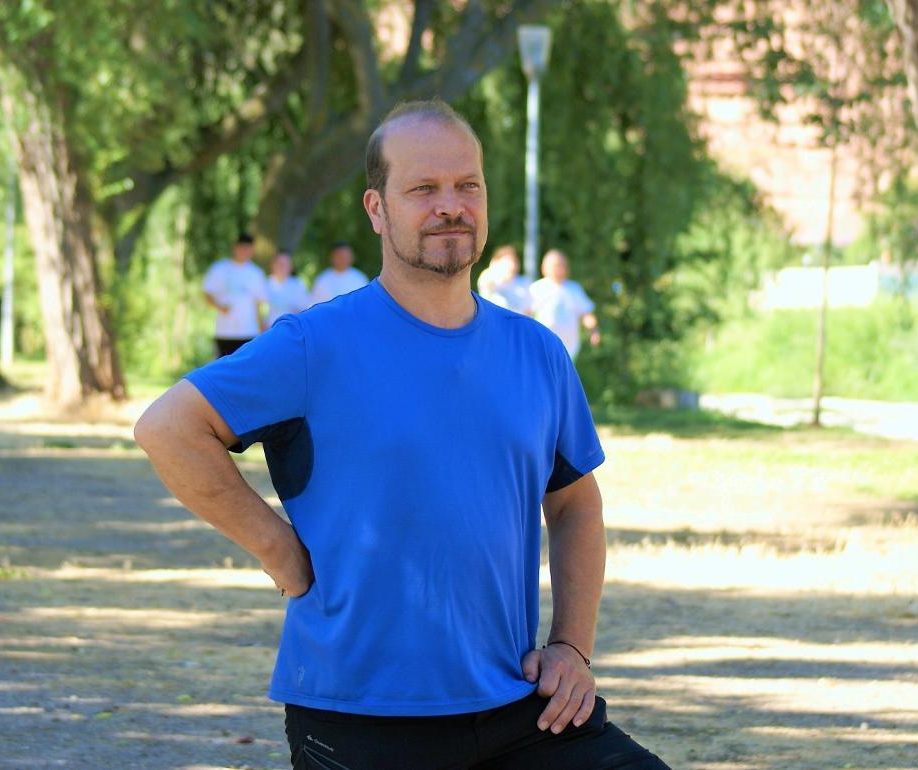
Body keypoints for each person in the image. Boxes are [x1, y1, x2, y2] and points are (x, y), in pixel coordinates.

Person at [135, 100, 671, 770]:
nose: (451, 205)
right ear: (377, 209)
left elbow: (574, 505)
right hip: (358, 716)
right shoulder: (313, 344)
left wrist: (571, 646)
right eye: (423, 189)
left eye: (466, 185)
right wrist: (278, 548)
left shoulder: (538, 354)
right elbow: (168, 428)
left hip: (516, 702)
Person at [202, 233, 268, 357]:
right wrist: (220, 306)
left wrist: (262, 329)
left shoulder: (256, 273)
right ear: (235, 247)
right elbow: (207, 294)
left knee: (246, 371)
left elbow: (258, 304)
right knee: (223, 369)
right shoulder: (220, 269)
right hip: (224, 332)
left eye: (248, 249)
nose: (244, 251)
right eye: (242, 248)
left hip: (248, 332)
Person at [529, 249, 601, 359]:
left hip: (569, 350)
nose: (559, 269)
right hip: (543, 348)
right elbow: (526, 314)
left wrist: (594, 330)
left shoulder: (574, 289)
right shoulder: (537, 289)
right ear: (544, 267)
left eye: (562, 265)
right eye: (555, 265)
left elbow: (586, 313)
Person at [476, 243, 532, 314]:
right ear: (496, 262)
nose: (512, 264)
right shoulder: (490, 278)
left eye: (514, 261)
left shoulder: (523, 282)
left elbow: (528, 310)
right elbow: (485, 283)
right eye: (508, 261)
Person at [265, 250, 311, 326]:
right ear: (273, 265)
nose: (282, 267)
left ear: (290, 267)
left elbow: (304, 308)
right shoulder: (265, 283)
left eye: (285, 264)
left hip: (292, 328)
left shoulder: (298, 284)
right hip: (270, 329)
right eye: (279, 263)